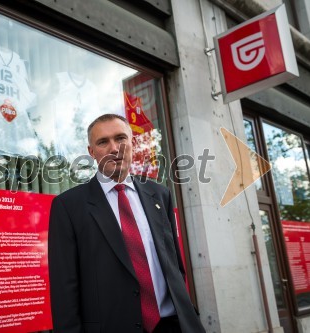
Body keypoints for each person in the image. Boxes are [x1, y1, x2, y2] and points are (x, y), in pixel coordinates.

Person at [48, 114, 205, 333]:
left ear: (132, 143)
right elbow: (64, 287)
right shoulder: (68, 206)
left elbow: (174, 265)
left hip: (173, 325)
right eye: (103, 142)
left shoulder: (160, 194)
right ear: (92, 152)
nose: (114, 148)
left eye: (121, 138)